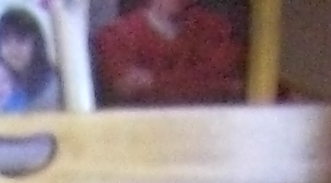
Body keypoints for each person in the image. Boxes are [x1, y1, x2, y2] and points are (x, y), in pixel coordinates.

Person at [92, 0, 247, 107]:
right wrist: (200, 81)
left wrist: (151, 81)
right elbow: (124, 88)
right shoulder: (117, 35)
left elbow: (231, 85)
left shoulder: (216, 29)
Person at [0, 6, 58, 113]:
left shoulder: (52, 83)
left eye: (21, 39)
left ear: (36, 43)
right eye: (6, 41)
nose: (13, 49)